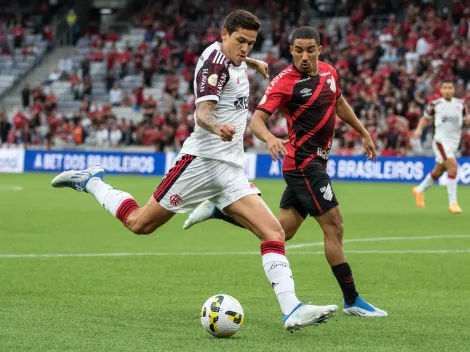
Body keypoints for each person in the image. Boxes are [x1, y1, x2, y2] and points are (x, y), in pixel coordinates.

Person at [50, 11, 337, 331]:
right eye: (241, 41)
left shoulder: (239, 59)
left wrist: (251, 63)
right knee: (139, 224)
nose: (245, 48)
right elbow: (202, 114)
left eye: (251, 43)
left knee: (273, 232)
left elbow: (239, 63)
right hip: (200, 163)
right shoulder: (212, 65)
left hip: (230, 170)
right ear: (224, 34)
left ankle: (291, 310)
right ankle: (92, 182)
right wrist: (217, 127)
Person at [184, 26, 387, 317]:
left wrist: (363, 132)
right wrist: (269, 139)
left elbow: (339, 103)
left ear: (320, 49)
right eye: (298, 50)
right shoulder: (284, 82)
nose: (304, 56)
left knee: (282, 232)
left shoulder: (329, 73)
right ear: (291, 50)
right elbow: (257, 120)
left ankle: (220, 211)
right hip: (304, 164)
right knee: (335, 226)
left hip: (313, 163)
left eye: (310, 50)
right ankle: (352, 300)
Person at [413, 80, 469, 213]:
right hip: (440, 142)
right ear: (441, 90)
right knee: (453, 168)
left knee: (438, 171)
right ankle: (453, 203)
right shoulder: (435, 104)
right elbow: (424, 118)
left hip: (454, 143)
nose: (448, 90)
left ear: (453, 90)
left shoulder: (460, 105)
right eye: (445, 88)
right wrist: (419, 130)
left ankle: (419, 190)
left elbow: (467, 120)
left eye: (450, 87)